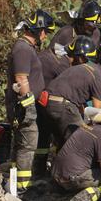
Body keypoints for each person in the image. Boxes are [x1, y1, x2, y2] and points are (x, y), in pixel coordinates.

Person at [5, 9, 55, 192]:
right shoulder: (23, 49)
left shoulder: (24, 48)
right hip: (23, 106)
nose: (46, 35)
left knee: (20, 144)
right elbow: (21, 79)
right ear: (40, 30)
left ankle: (13, 183)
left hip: (20, 105)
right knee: (27, 145)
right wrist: (29, 106)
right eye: (46, 31)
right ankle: (23, 188)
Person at [43, 36, 101, 148]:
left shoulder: (80, 70)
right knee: (79, 142)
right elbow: (96, 114)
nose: (70, 59)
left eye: (73, 56)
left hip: (48, 104)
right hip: (62, 105)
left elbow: (79, 102)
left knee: (63, 144)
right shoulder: (98, 76)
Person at [33, 45, 71, 179]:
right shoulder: (63, 65)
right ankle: (50, 171)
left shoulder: (47, 57)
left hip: (42, 102)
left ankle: (39, 171)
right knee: (56, 137)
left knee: (43, 138)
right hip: (49, 104)